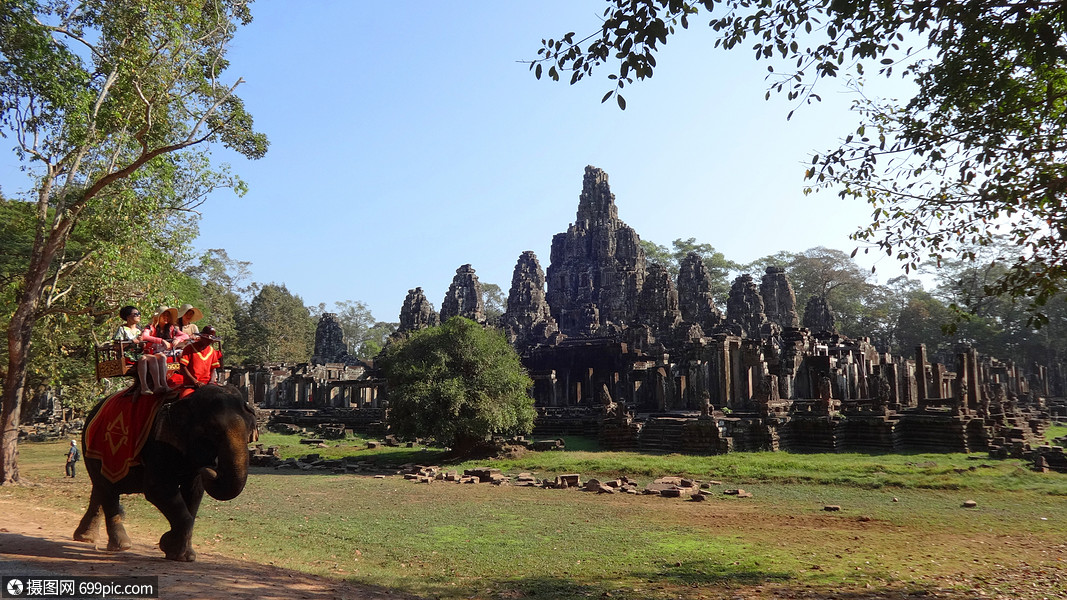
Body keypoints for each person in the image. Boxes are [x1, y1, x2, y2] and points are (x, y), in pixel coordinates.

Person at [141, 307, 189, 395]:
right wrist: (161, 340)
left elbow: (185, 336)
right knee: (162, 357)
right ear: (158, 317)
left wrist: (178, 339)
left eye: (168, 316)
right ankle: (163, 383)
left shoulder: (171, 328)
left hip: (169, 352)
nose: (166, 317)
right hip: (154, 351)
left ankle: (190, 378)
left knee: (184, 353)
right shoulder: (150, 327)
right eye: (164, 315)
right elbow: (145, 336)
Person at [178, 326, 223, 397]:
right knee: (185, 397)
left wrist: (211, 382)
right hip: (191, 385)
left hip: (207, 385)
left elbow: (213, 369)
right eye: (207, 339)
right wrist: (196, 382)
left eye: (211, 340)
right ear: (201, 337)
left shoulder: (212, 351)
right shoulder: (189, 348)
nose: (209, 342)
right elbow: (183, 367)